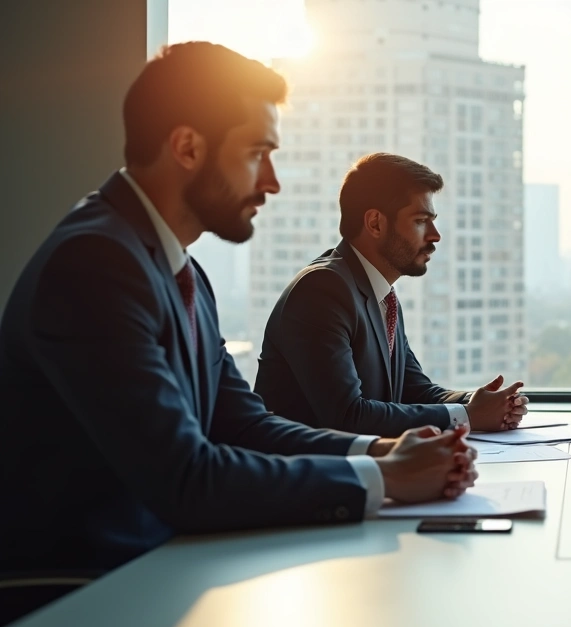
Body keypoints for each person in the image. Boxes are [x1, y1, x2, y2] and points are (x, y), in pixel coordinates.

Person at [0, 42, 477, 575]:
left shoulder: (181, 270)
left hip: (158, 563)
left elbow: (246, 425)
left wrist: (381, 453)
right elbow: (185, 476)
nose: (271, 181)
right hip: (79, 589)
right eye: (256, 154)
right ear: (187, 147)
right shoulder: (94, 264)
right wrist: (385, 480)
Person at [254, 153, 529, 436]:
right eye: (421, 220)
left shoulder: (380, 295)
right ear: (375, 223)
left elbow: (414, 391)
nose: (435, 235)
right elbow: (347, 415)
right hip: (309, 473)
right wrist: (467, 416)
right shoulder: (322, 290)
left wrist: (481, 403)